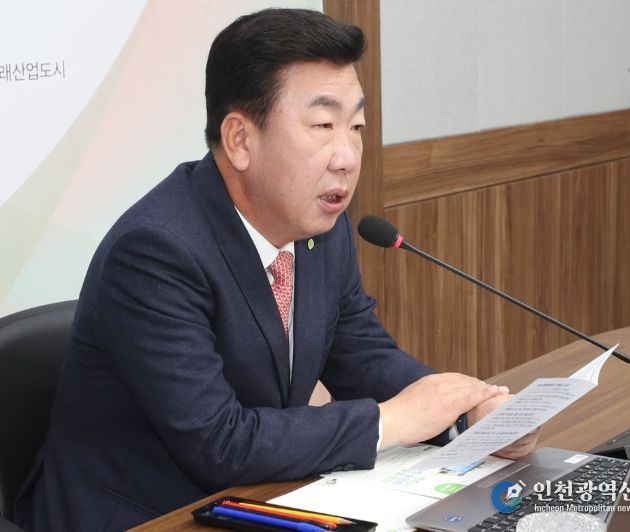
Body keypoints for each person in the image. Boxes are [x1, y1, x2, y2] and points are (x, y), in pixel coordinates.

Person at [14, 8, 538, 531]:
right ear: (240, 140)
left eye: (356, 126)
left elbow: (362, 357)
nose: (347, 156)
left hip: (252, 498)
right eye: (323, 125)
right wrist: (393, 420)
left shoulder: (321, 228)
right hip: (145, 517)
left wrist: (471, 415)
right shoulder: (156, 251)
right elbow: (219, 441)